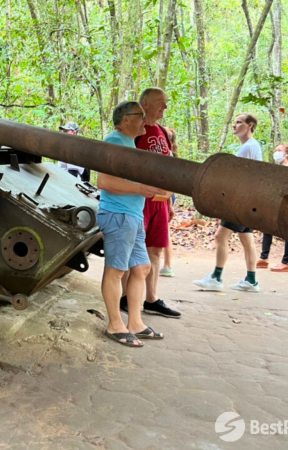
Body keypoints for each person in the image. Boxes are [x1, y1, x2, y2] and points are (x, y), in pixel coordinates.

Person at [97, 101, 168, 348]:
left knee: (141, 268)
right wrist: (140, 188)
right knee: (116, 271)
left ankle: (135, 323)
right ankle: (115, 324)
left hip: (133, 216)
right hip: (118, 215)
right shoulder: (115, 141)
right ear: (126, 119)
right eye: (140, 115)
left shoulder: (129, 143)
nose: (145, 119)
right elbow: (104, 182)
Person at [119, 88, 181, 319]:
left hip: (160, 201)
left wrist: (170, 203)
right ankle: (126, 297)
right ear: (145, 104)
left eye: (165, 102)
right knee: (131, 248)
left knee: (155, 249)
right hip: (138, 199)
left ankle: (152, 299)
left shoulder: (163, 131)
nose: (165, 106)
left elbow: (168, 167)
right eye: (160, 102)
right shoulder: (134, 131)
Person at [193, 113, 263, 292]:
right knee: (246, 238)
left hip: (241, 201)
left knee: (220, 236)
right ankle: (251, 280)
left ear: (250, 125)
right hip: (249, 200)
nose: (235, 125)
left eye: (239, 122)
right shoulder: (252, 146)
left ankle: (216, 278)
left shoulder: (248, 148)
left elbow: (236, 177)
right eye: (235, 122)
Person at [257, 143, 288, 272]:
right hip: (275, 204)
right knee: (267, 228)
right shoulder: (278, 168)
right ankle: (264, 258)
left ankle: (285, 263)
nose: (276, 152)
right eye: (275, 150)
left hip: (286, 205)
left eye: (279, 150)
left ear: (287, 154)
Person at [160, 127, 178, 278]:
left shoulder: (168, 154)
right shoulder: (167, 153)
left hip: (166, 195)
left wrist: (170, 204)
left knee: (164, 230)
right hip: (167, 194)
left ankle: (168, 265)